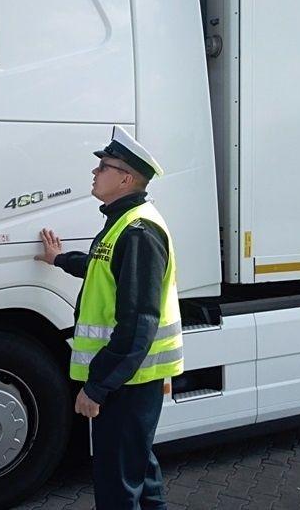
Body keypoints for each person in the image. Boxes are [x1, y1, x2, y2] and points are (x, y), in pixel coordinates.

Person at [35, 126, 184, 510]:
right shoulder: (124, 222)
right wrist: (59, 259)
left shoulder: (138, 231)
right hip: (131, 379)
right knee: (138, 471)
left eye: (104, 166)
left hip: (126, 382)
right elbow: (102, 268)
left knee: (118, 486)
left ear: (125, 179)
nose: (95, 171)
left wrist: (97, 387)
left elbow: (138, 323)